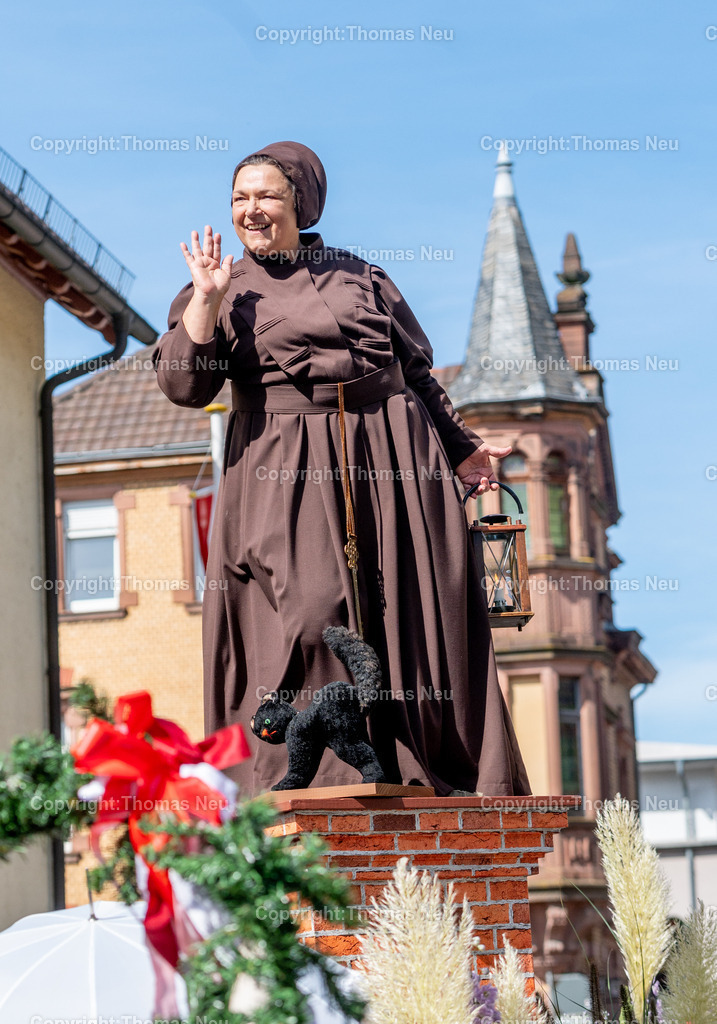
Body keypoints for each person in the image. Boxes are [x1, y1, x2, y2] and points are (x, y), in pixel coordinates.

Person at [153, 141, 530, 798]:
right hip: (284, 461)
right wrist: (208, 301)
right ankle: (314, 782)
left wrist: (460, 447)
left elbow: (414, 371)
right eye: (240, 198)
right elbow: (185, 385)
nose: (252, 209)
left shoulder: (361, 275)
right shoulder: (218, 287)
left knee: (410, 609)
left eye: (266, 195)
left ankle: (417, 768)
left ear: (301, 201)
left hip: (391, 452)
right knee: (310, 606)